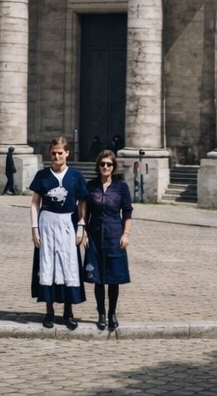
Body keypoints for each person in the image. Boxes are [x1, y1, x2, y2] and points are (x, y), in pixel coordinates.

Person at [29, 136, 88, 330]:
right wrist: (34, 228)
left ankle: (68, 313)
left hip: (67, 223)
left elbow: (82, 202)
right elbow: (35, 203)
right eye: (53, 153)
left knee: (68, 264)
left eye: (60, 153)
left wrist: (81, 226)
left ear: (67, 153)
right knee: (48, 265)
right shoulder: (42, 175)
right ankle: (49, 312)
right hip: (47, 223)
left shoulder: (76, 176)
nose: (56, 156)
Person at [84, 147, 133, 332]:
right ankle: (101, 314)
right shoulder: (91, 186)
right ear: (98, 166)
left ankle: (112, 313)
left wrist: (125, 234)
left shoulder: (121, 187)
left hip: (114, 236)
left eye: (109, 164)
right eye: (103, 164)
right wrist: (84, 233)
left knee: (113, 278)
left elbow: (127, 212)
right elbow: (84, 213)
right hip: (95, 236)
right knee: (98, 278)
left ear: (113, 167)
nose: (106, 167)